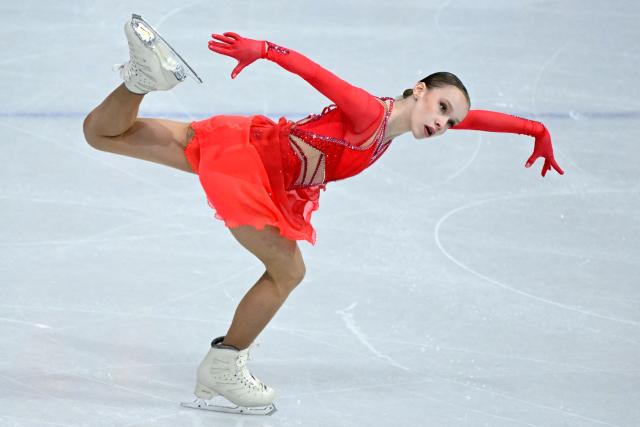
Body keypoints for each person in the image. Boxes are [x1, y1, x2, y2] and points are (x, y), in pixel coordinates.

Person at [82, 14, 564, 415]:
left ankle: (140, 79)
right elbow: (318, 74)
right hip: (250, 168)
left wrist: (535, 129)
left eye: (450, 120)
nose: (442, 123)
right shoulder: (370, 115)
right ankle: (224, 365)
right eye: (440, 107)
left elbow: (479, 118)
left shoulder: (392, 128)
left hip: (247, 144)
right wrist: (263, 49)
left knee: (102, 133)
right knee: (288, 270)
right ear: (418, 90)